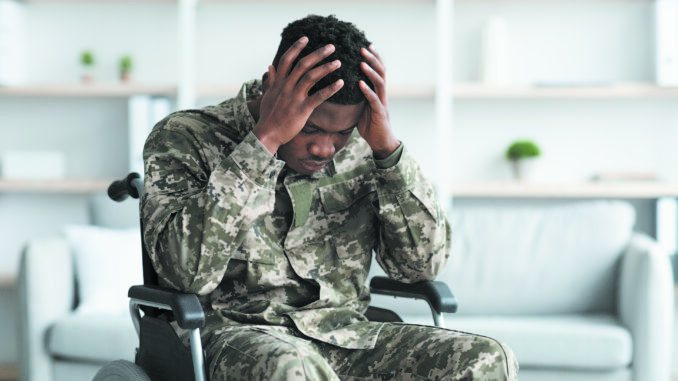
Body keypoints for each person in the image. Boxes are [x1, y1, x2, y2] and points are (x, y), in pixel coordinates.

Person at [142, 14, 518, 380]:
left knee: (486, 359)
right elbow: (184, 275)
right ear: (270, 84)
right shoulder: (185, 137)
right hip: (240, 338)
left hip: (345, 336)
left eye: (341, 133)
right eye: (310, 128)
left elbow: (421, 267)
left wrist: (388, 152)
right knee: (294, 367)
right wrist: (265, 141)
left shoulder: (364, 149)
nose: (325, 148)